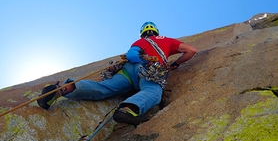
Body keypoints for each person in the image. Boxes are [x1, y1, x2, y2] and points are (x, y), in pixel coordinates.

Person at [38, 21, 197, 126]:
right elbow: (191, 51)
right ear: (156, 31)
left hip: (127, 71)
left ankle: (63, 89)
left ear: (143, 33)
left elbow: (132, 54)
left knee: (103, 89)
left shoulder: (139, 42)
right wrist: (174, 64)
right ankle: (127, 110)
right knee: (153, 92)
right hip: (151, 70)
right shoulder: (168, 41)